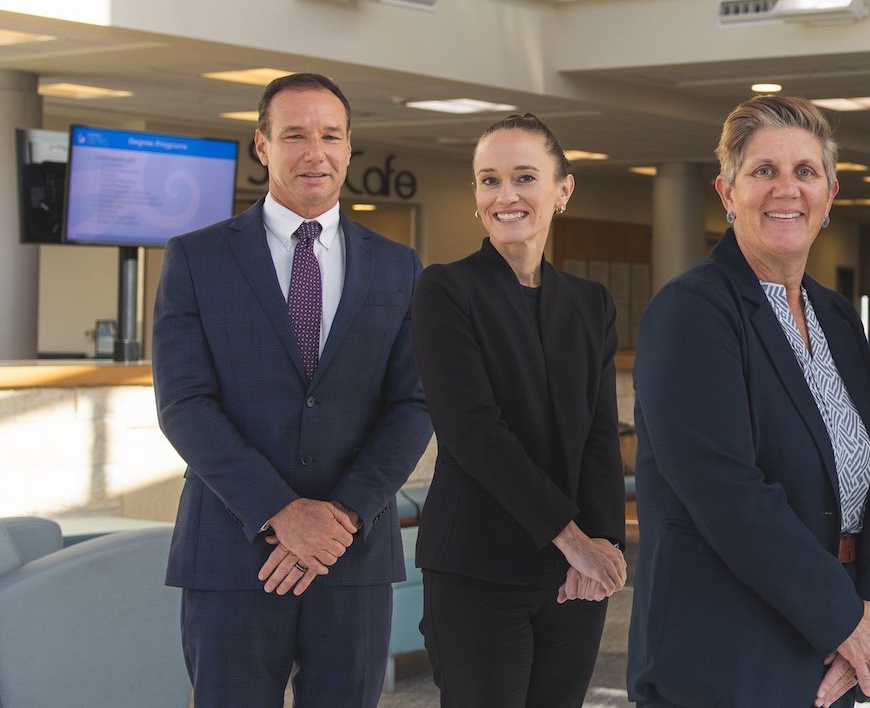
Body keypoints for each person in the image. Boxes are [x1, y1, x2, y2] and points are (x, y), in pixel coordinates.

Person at [152, 72, 433, 707]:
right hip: (232, 551)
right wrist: (283, 514)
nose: (316, 152)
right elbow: (184, 405)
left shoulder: (399, 266)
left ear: (350, 147)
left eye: (331, 135)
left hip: (351, 555)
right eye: (295, 135)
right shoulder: (196, 259)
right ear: (262, 146)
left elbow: (414, 404)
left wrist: (340, 518)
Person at [626, 95, 870, 708]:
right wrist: (842, 620)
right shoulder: (692, 312)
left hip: (836, 638)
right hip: (726, 650)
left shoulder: (836, 316)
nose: (787, 189)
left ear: (830, 194)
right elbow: (727, 492)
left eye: (806, 171)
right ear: (727, 192)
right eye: (764, 171)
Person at [409, 114, 627, 707]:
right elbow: (473, 431)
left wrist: (603, 546)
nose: (505, 196)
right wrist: (573, 537)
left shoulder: (589, 304)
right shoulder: (445, 290)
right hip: (477, 566)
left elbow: (601, 437)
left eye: (524, 177)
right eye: (489, 180)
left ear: (563, 189)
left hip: (571, 572)